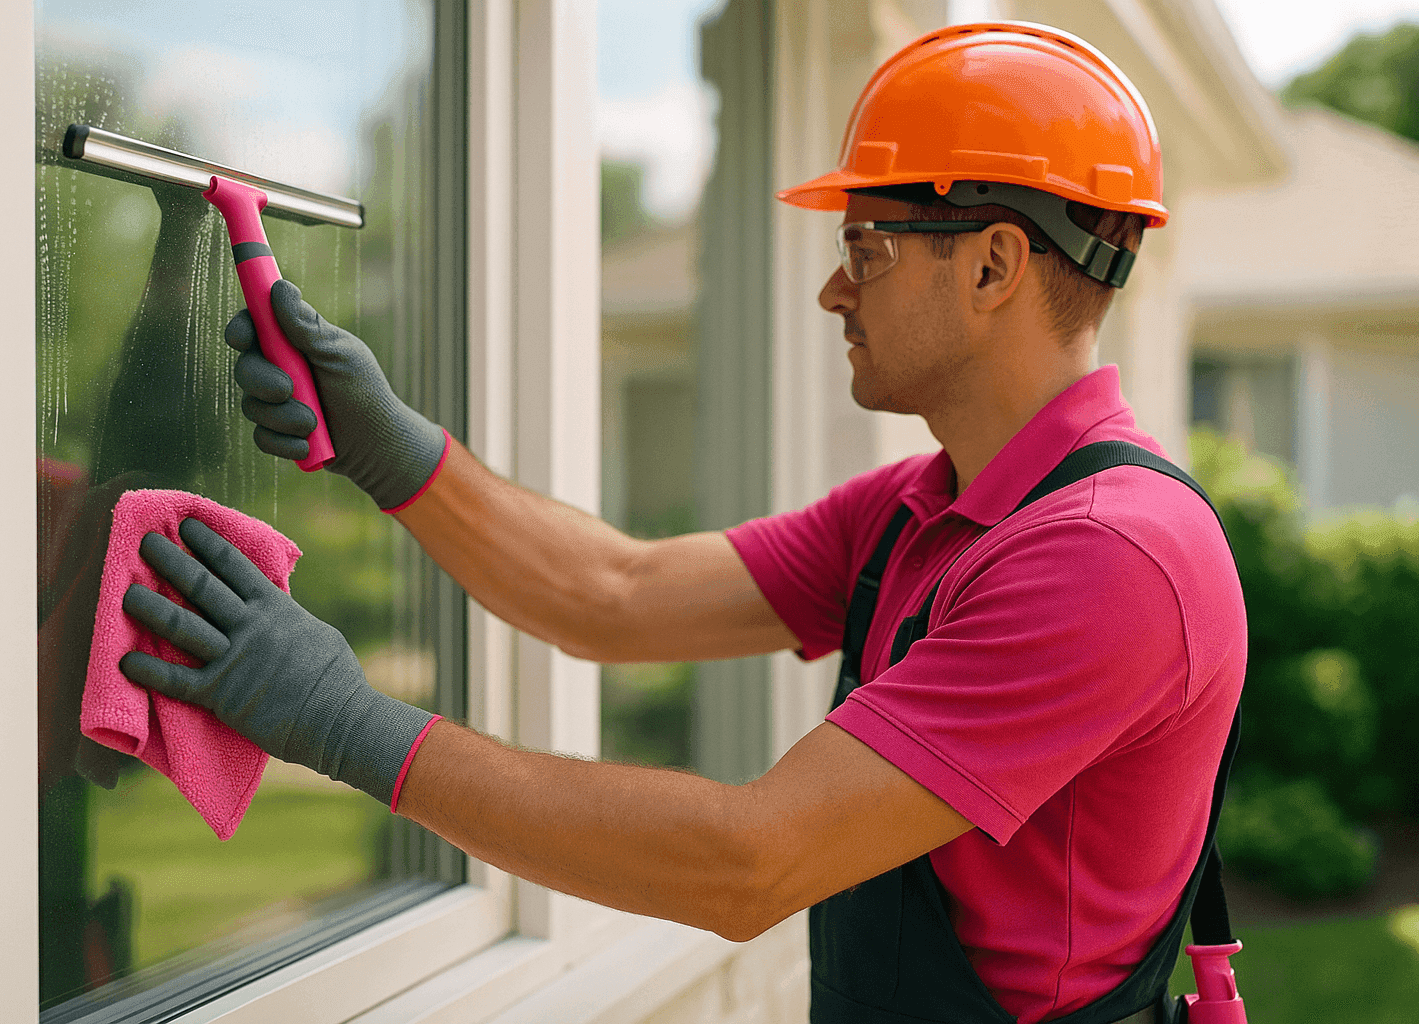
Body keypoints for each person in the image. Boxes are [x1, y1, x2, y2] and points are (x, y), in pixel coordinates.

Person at [118, 22, 1245, 1024]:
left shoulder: (1108, 557)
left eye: (866, 249)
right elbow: (616, 596)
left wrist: (343, 723)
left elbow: (749, 861)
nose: (834, 292)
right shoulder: (923, 506)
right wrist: (392, 450)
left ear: (993, 265)